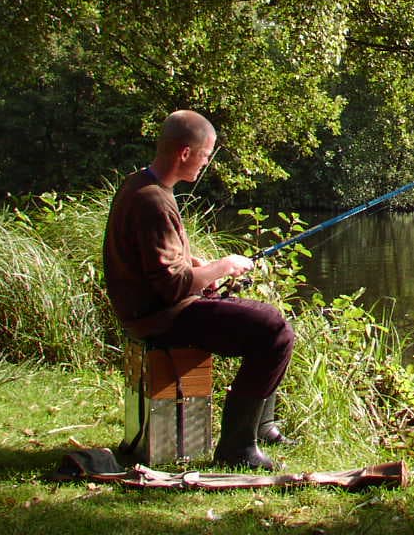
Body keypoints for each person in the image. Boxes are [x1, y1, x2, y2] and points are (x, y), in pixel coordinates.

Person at [103, 109, 294, 470]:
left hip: (150, 309)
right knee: (272, 328)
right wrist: (222, 266)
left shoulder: (141, 184)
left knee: (272, 323)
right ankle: (237, 448)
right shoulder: (153, 200)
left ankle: (262, 426)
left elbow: (163, 262)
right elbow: (171, 286)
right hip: (159, 316)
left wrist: (199, 267)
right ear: (185, 152)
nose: (207, 163)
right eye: (206, 154)